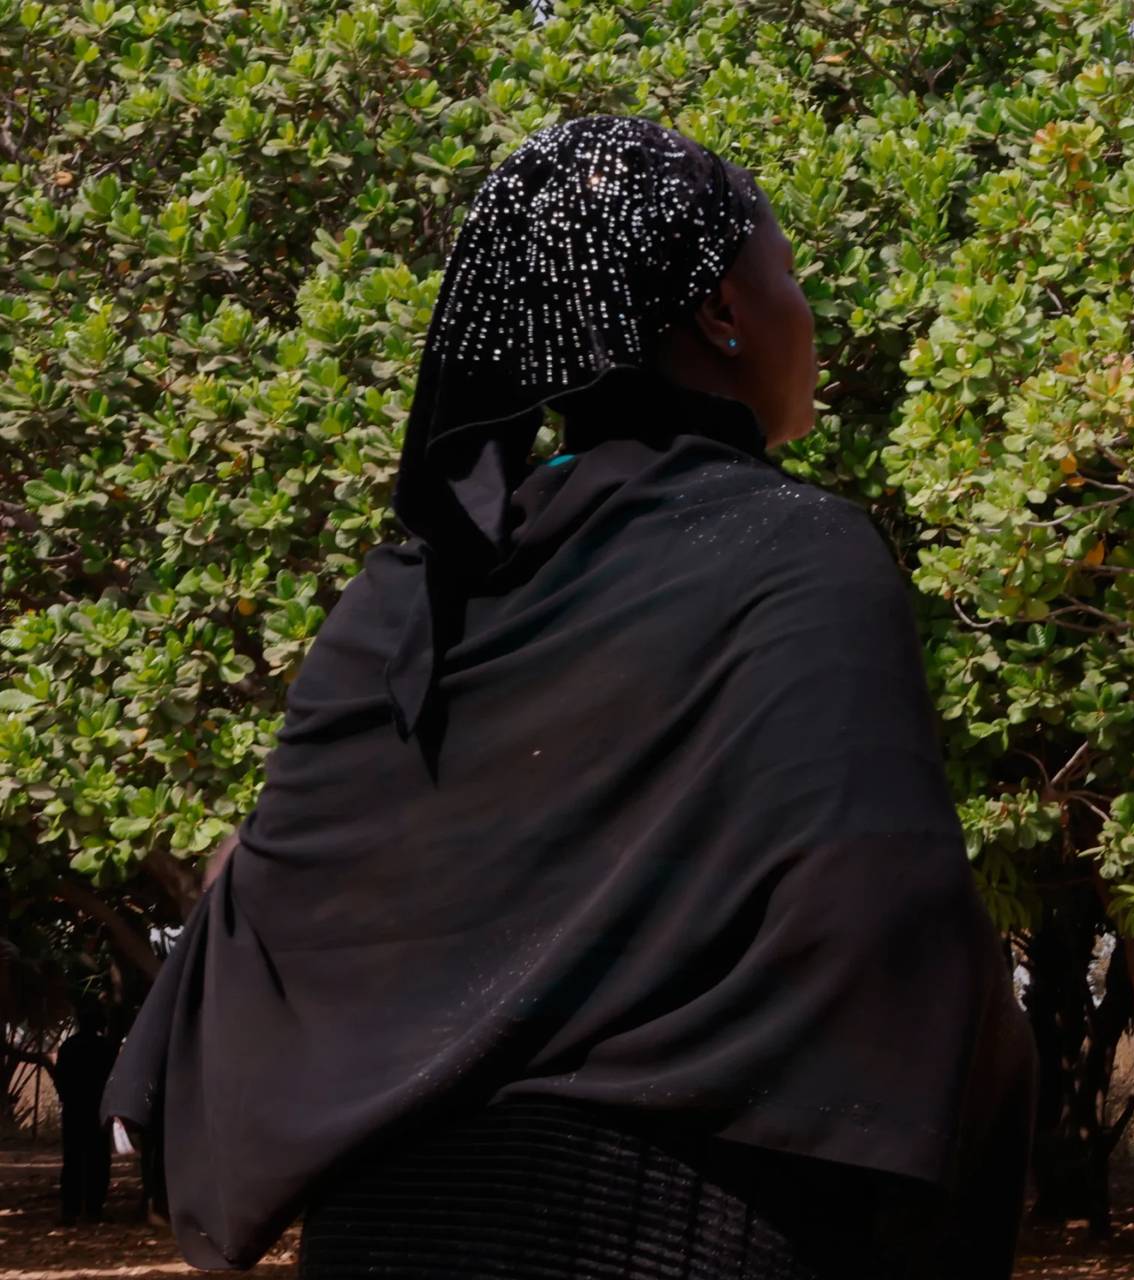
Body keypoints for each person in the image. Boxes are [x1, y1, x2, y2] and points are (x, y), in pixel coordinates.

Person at [104, 116, 1035, 1279]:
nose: (808, 311)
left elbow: (271, 911)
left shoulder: (406, 596)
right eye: (789, 274)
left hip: (381, 1235)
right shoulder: (803, 556)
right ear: (722, 312)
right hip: (688, 1229)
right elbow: (884, 927)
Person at [53, 1008, 115, 1224]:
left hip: (74, 1110)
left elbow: (59, 1078)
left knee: (72, 1160)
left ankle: (70, 1210)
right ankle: (94, 1209)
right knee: (98, 1160)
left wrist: (67, 1097)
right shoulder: (106, 1048)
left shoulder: (69, 1047)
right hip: (97, 1111)